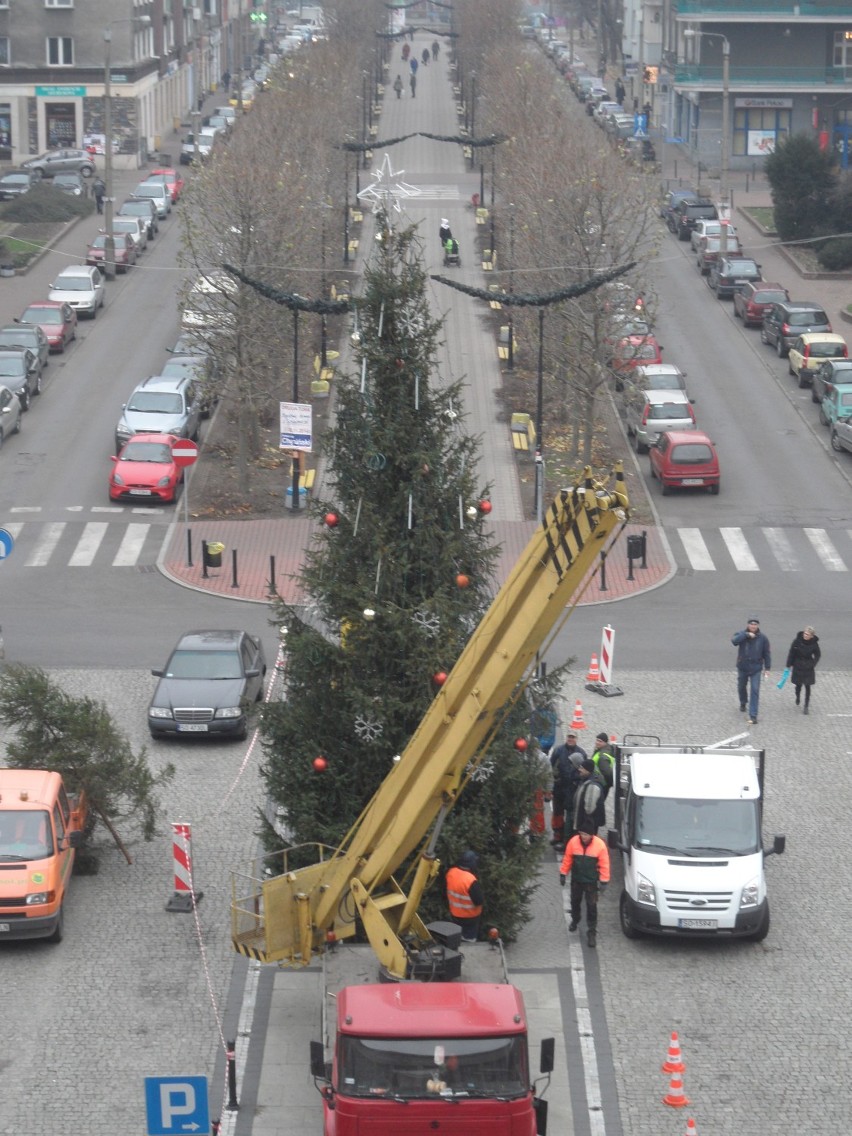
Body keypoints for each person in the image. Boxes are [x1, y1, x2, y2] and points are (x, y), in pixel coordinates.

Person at [560, 820, 610, 948]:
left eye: (586, 835)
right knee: (574, 902)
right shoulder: (573, 842)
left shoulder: (600, 845)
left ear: (592, 835)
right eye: (581, 834)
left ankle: (591, 931)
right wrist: (563, 873)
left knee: (592, 907)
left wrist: (604, 881)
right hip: (577, 880)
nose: (583, 837)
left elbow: (604, 864)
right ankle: (575, 920)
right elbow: (568, 858)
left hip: (591, 882)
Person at [549, 732, 587, 847]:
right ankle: (558, 835)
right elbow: (550, 767)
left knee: (571, 815)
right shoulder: (558, 751)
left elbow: (584, 771)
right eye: (569, 737)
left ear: (577, 739)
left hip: (573, 789)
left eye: (573, 737)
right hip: (559, 788)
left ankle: (569, 839)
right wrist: (552, 784)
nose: (570, 739)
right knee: (557, 813)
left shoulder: (581, 753)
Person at [732, 617, 771, 725]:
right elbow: (734, 641)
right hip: (743, 667)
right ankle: (743, 702)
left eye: (755, 624)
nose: (753, 626)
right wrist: (746, 635)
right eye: (751, 624)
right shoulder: (741, 634)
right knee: (741, 686)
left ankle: (753, 715)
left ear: (758, 626)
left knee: (755, 690)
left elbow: (767, 653)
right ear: (748, 625)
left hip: (756, 668)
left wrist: (767, 668)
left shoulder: (763, 638)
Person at [446, 850, 484, 942]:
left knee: (457, 938)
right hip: (470, 917)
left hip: (455, 914)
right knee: (469, 940)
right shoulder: (470, 880)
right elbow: (479, 900)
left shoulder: (451, 873)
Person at [786, 626, 820, 714]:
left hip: (808, 667)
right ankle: (797, 696)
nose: (805, 635)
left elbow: (818, 655)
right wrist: (788, 665)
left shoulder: (814, 644)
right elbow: (791, 653)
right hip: (798, 665)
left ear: (811, 636)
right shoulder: (797, 641)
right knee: (798, 685)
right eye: (805, 633)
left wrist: (813, 664)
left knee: (807, 686)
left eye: (807, 634)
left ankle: (806, 706)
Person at [572, 759, 606, 835]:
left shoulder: (592, 786)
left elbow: (589, 809)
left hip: (587, 825)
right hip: (585, 823)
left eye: (582, 768)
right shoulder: (586, 780)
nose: (579, 769)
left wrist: (583, 825)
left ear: (588, 771)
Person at [590, 732, 615, 799]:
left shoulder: (602, 756)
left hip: (600, 784)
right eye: (597, 740)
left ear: (605, 743)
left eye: (600, 741)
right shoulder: (604, 749)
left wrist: (604, 784)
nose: (597, 742)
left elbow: (607, 773)